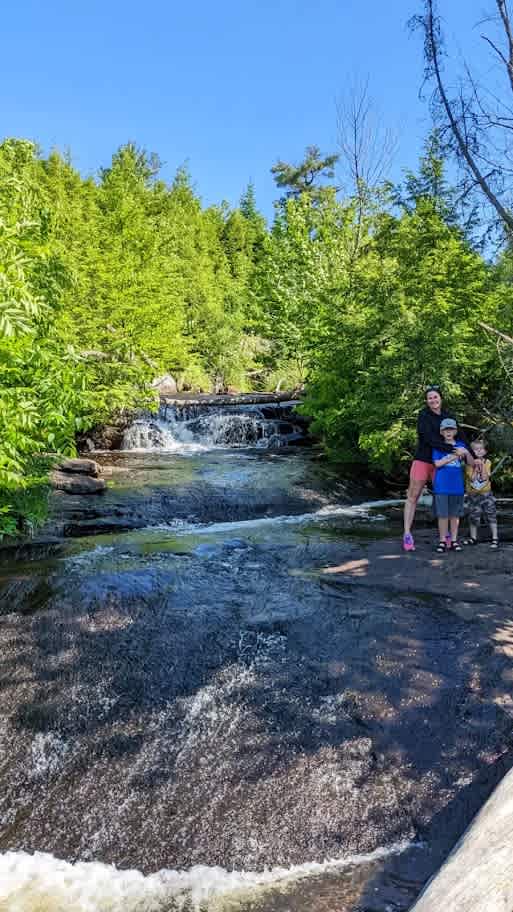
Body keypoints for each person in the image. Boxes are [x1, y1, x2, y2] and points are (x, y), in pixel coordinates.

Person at [403, 386, 471, 552]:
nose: (433, 400)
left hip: (443, 463)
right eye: (430, 398)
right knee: (413, 495)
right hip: (424, 460)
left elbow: (461, 436)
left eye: (435, 397)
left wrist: (472, 457)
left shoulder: (448, 416)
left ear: (441, 398)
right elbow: (427, 438)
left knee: (444, 497)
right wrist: (454, 451)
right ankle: (407, 534)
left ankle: (446, 536)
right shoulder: (424, 416)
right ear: (426, 401)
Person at [432, 418, 474, 552]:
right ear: (441, 432)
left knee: (455, 515)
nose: (448, 432)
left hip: (457, 486)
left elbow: (472, 463)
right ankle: (443, 541)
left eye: (450, 429)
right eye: (445, 429)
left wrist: (466, 452)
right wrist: (454, 455)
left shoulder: (461, 444)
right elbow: (437, 464)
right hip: (442, 486)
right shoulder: (439, 445)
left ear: (455, 431)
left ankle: (454, 540)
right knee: (443, 515)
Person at [463, 440, 499, 549]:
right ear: (471, 452)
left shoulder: (487, 462)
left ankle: (495, 538)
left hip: (486, 493)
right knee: (473, 517)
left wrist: (481, 465)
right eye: (475, 449)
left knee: (491, 515)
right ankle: (473, 538)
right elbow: (472, 478)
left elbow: (484, 477)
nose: (478, 450)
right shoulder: (468, 464)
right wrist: (475, 466)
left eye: (481, 448)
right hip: (473, 494)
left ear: (485, 451)